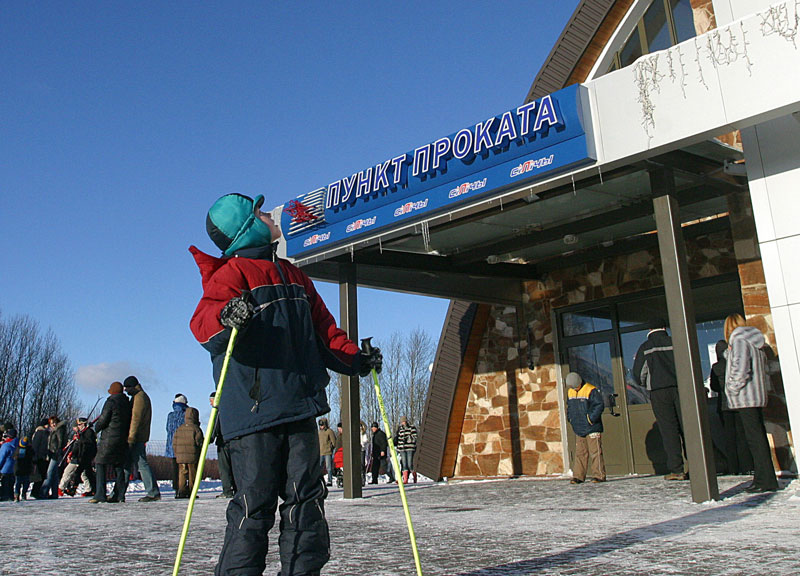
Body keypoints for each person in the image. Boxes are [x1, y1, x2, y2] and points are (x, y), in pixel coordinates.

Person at [189, 192, 381, 576]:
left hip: (299, 407)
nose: (268, 214)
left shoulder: (293, 275)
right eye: (259, 212)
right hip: (253, 414)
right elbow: (203, 325)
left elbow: (325, 332)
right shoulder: (231, 275)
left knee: (306, 504)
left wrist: (355, 360)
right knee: (253, 509)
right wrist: (228, 316)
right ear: (247, 229)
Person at [724, 314, 779, 493]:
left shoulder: (739, 340)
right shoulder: (753, 342)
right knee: (758, 437)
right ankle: (763, 478)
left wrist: (731, 388)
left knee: (754, 439)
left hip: (745, 396)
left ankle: (766, 480)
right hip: (755, 395)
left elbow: (740, 367)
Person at [631, 318, 686, 480]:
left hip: (658, 392)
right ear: (664, 328)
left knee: (669, 431)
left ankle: (677, 469)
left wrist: (647, 384)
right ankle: (698, 466)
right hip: (680, 389)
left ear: (649, 329)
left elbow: (639, 374)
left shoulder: (645, 348)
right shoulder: (675, 341)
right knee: (688, 428)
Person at [709, 339, 753, 475]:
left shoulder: (716, 367)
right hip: (739, 403)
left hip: (724, 405)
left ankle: (733, 468)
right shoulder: (734, 364)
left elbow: (713, 386)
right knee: (742, 436)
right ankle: (747, 466)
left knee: (729, 438)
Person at [90, 381, 132, 504]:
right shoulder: (126, 403)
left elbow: (103, 419)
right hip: (122, 438)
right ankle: (119, 495)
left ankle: (100, 494)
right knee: (118, 466)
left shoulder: (111, 401)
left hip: (109, 438)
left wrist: (96, 428)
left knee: (100, 463)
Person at [123, 375, 161, 502]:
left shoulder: (139, 398)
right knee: (131, 464)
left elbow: (136, 419)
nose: (126, 391)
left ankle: (153, 492)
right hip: (138, 436)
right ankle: (119, 491)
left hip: (137, 437)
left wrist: (131, 438)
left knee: (141, 464)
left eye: (127, 388)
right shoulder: (139, 396)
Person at [565, 372, 606, 484]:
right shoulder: (570, 392)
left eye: (575, 386)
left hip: (592, 427)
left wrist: (590, 419)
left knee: (595, 452)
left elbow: (599, 405)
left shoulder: (591, 390)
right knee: (580, 453)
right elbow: (569, 407)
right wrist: (570, 419)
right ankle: (578, 476)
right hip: (578, 427)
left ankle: (599, 475)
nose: (574, 388)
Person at [59, 417, 97, 497]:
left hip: (86, 456)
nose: (78, 426)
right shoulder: (81, 433)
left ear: (84, 424)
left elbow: (89, 443)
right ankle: (91, 490)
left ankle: (74, 489)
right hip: (81, 456)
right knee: (86, 474)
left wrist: (80, 439)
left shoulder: (89, 432)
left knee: (81, 473)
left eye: (79, 424)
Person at [173, 406, 204, 499]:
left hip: (181, 457)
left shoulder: (179, 428)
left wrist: (177, 454)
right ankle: (192, 492)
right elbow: (199, 442)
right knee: (192, 475)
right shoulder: (196, 429)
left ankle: (181, 491)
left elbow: (174, 442)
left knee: (182, 473)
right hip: (192, 456)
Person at [210, 391, 236, 498]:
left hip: (224, 442)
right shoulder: (231, 408)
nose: (210, 404)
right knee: (234, 466)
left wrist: (209, 439)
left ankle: (227, 490)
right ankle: (235, 488)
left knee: (225, 468)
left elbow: (215, 426)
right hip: (234, 440)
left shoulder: (219, 411)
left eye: (211, 401)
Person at [166, 393, 189, 492]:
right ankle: (183, 487)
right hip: (183, 444)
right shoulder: (186, 415)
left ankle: (176, 487)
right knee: (184, 468)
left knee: (174, 468)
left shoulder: (170, 415)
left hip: (172, 445)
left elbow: (167, 428)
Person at [40, 415, 67, 498]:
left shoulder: (59, 430)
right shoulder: (53, 431)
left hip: (55, 454)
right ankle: (55, 493)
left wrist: (58, 451)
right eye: (51, 423)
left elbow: (60, 441)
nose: (53, 424)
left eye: (54, 423)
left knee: (49, 473)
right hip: (52, 453)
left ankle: (43, 492)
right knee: (54, 475)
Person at [394, 416, 418, 484]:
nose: (403, 423)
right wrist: (398, 446)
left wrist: (408, 439)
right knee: (404, 464)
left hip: (409, 448)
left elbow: (415, 437)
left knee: (410, 464)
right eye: (402, 422)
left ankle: (414, 475)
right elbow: (399, 438)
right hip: (402, 448)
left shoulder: (411, 427)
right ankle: (405, 479)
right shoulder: (400, 429)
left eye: (404, 421)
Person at [30, 418, 50, 498]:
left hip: (42, 457)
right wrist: (35, 457)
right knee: (40, 476)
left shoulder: (44, 433)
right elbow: (35, 446)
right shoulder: (40, 432)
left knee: (42, 476)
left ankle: (37, 492)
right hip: (39, 458)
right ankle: (35, 492)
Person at [0, 428, 19, 501]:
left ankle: (5, 496)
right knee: (11, 484)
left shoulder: (6, 446)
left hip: (5, 468)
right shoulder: (18, 444)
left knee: (5, 483)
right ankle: (11, 496)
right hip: (14, 468)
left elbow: (2, 458)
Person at [14, 435, 34, 501]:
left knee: (20, 483)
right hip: (23, 469)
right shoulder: (28, 449)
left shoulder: (18, 449)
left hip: (21, 469)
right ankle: (20, 494)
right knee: (23, 483)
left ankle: (18, 494)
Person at [318, 418, 336, 487]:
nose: (321, 427)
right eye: (320, 425)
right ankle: (319, 480)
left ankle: (330, 480)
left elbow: (334, 441)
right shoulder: (319, 433)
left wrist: (331, 448)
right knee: (320, 467)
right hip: (321, 452)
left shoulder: (329, 431)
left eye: (322, 425)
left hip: (328, 452)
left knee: (329, 467)